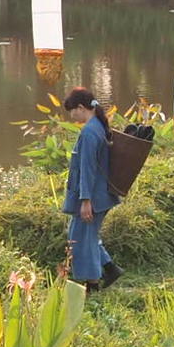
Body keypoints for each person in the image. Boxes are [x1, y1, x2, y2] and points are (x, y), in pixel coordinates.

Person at [61, 85, 120, 291]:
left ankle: (92, 284)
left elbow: (87, 169)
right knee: (83, 235)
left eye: (72, 111)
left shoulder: (89, 132)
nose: (72, 116)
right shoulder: (98, 126)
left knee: (80, 240)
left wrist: (86, 201)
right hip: (101, 195)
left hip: (93, 198)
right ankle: (110, 268)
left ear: (80, 107)